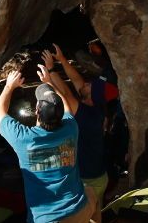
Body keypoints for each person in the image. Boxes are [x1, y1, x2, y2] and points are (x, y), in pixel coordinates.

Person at [0, 68, 100, 223]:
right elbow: (67, 106)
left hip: (48, 221)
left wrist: (9, 86)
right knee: (91, 192)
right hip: (80, 210)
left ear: (37, 110)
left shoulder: (23, 138)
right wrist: (50, 82)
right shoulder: (71, 128)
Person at [43, 44, 118, 209]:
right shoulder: (94, 105)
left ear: (92, 96)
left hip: (89, 181)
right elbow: (77, 80)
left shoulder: (88, 116)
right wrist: (61, 59)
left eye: (89, 86)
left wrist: (50, 75)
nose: (86, 84)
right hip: (95, 176)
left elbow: (65, 95)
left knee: (84, 218)